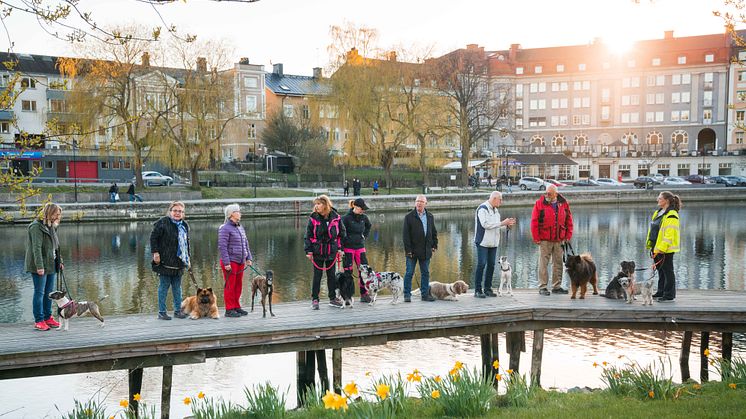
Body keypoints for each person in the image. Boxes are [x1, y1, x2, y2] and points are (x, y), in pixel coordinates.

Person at [24, 202, 63, 331]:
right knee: (39, 293)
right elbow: (36, 248)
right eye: (56, 215)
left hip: (51, 264)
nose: (58, 217)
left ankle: (48, 317)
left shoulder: (51, 226)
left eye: (58, 215)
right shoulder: (36, 227)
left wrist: (60, 261)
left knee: (49, 293)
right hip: (39, 265)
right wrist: (39, 266)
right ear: (49, 213)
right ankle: (39, 320)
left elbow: (55, 247)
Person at [304, 195, 346, 310]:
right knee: (317, 276)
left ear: (325, 205)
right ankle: (315, 299)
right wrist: (309, 251)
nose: (316, 206)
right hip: (317, 251)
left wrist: (340, 248)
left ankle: (332, 299)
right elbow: (308, 235)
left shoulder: (336, 217)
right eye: (315, 204)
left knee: (331, 276)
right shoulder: (313, 218)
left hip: (331, 251)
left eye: (318, 204)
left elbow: (342, 234)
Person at [530, 184, 573, 296]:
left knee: (558, 262)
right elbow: (534, 222)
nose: (547, 194)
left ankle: (556, 286)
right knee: (543, 263)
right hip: (544, 239)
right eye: (546, 192)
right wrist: (536, 238)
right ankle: (543, 287)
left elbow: (569, 220)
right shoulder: (539, 204)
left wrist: (568, 236)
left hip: (559, 239)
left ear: (556, 194)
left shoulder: (563, 203)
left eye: (550, 193)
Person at [150, 201, 191, 320]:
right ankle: (162, 312)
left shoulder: (184, 225)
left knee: (177, 287)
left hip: (179, 262)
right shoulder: (162, 223)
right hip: (165, 261)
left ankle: (178, 310)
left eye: (181, 211)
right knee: (163, 287)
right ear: (170, 211)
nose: (178, 213)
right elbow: (153, 238)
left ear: (183, 213)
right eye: (176, 211)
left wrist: (188, 258)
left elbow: (187, 243)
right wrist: (155, 253)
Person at [473, 192, 516, 298]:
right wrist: (502, 223)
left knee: (491, 265)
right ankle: (478, 290)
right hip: (483, 242)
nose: (501, 202)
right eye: (500, 200)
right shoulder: (482, 209)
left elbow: (495, 226)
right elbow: (485, 225)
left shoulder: (496, 211)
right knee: (481, 264)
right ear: (494, 198)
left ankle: (487, 288)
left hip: (493, 243)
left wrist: (506, 226)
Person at [646, 191, 682, 302]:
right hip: (656, 247)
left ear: (666, 200)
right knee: (660, 271)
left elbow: (669, 235)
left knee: (668, 271)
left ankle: (669, 295)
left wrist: (661, 248)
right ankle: (661, 291)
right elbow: (654, 230)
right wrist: (652, 246)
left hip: (665, 249)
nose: (658, 200)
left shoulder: (671, 214)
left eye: (660, 198)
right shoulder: (659, 212)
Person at [218, 204, 253, 317]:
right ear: (231, 214)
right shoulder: (224, 228)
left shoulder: (240, 227)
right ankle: (229, 309)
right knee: (230, 285)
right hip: (230, 262)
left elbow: (245, 243)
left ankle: (236, 306)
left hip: (240, 261)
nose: (240, 213)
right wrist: (227, 263)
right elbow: (222, 247)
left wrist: (248, 258)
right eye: (237, 211)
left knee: (238, 285)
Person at [402, 195, 437, 302]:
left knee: (425, 273)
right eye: (417, 201)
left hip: (426, 250)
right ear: (415, 203)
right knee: (409, 273)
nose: (419, 203)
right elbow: (405, 236)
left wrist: (434, 245)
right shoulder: (409, 217)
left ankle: (425, 294)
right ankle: (407, 295)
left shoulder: (430, 216)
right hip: (412, 251)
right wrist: (408, 251)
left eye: (421, 201)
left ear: (425, 203)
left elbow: (433, 232)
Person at [341, 198, 372, 303]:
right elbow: (340, 233)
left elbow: (369, 226)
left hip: (360, 248)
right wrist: (341, 248)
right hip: (348, 249)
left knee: (364, 272)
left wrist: (364, 236)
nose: (363, 211)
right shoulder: (345, 218)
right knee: (347, 273)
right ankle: (347, 296)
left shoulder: (364, 218)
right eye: (361, 209)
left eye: (364, 209)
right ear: (355, 207)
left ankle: (364, 294)